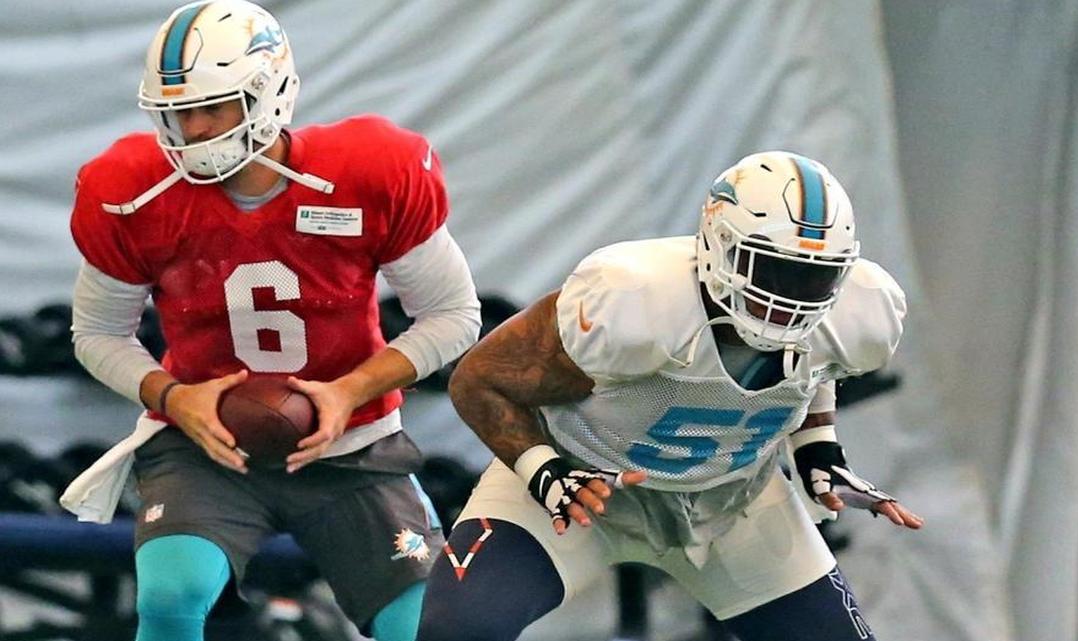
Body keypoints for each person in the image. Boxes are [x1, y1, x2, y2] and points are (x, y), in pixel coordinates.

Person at [59, 2, 481, 640]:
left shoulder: (368, 172)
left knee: (420, 626)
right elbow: (96, 333)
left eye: (212, 108)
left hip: (353, 443)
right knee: (172, 595)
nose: (193, 131)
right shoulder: (131, 189)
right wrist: (175, 397)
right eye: (177, 113)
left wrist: (348, 391)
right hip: (206, 444)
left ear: (268, 93)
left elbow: (454, 313)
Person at [416, 151, 924, 641]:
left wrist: (819, 445)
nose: (790, 302)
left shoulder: (858, 312)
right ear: (718, 243)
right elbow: (479, 378)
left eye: (814, 280)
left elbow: (818, 364)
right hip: (584, 484)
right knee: (458, 631)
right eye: (774, 272)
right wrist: (545, 471)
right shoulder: (635, 301)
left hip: (733, 501)